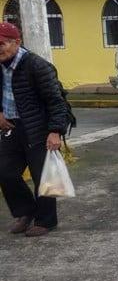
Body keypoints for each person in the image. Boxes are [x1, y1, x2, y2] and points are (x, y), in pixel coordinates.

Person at [0, 22, 69, 237]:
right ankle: (26, 211)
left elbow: (56, 101)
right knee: (5, 171)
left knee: (43, 177)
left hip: (39, 128)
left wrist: (55, 131)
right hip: (12, 127)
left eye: (2, 43)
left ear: (17, 42)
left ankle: (46, 221)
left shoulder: (37, 66)